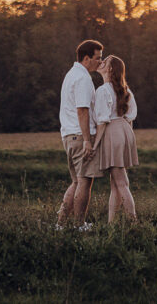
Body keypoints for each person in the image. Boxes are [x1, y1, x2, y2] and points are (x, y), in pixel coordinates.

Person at [56, 39, 104, 230]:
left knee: (76, 181)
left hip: (69, 135)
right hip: (79, 136)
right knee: (85, 181)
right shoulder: (83, 79)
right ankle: (79, 225)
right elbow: (82, 110)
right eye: (97, 58)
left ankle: (60, 223)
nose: (100, 62)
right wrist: (87, 141)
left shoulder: (71, 75)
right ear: (86, 58)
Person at [92, 55, 139, 222]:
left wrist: (94, 145)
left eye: (104, 62)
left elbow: (102, 121)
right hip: (125, 130)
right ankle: (111, 223)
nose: (101, 63)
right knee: (116, 183)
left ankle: (134, 222)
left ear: (110, 69)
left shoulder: (103, 90)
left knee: (120, 182)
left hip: (112, 131)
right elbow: (130, 117)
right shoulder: (126, 90)